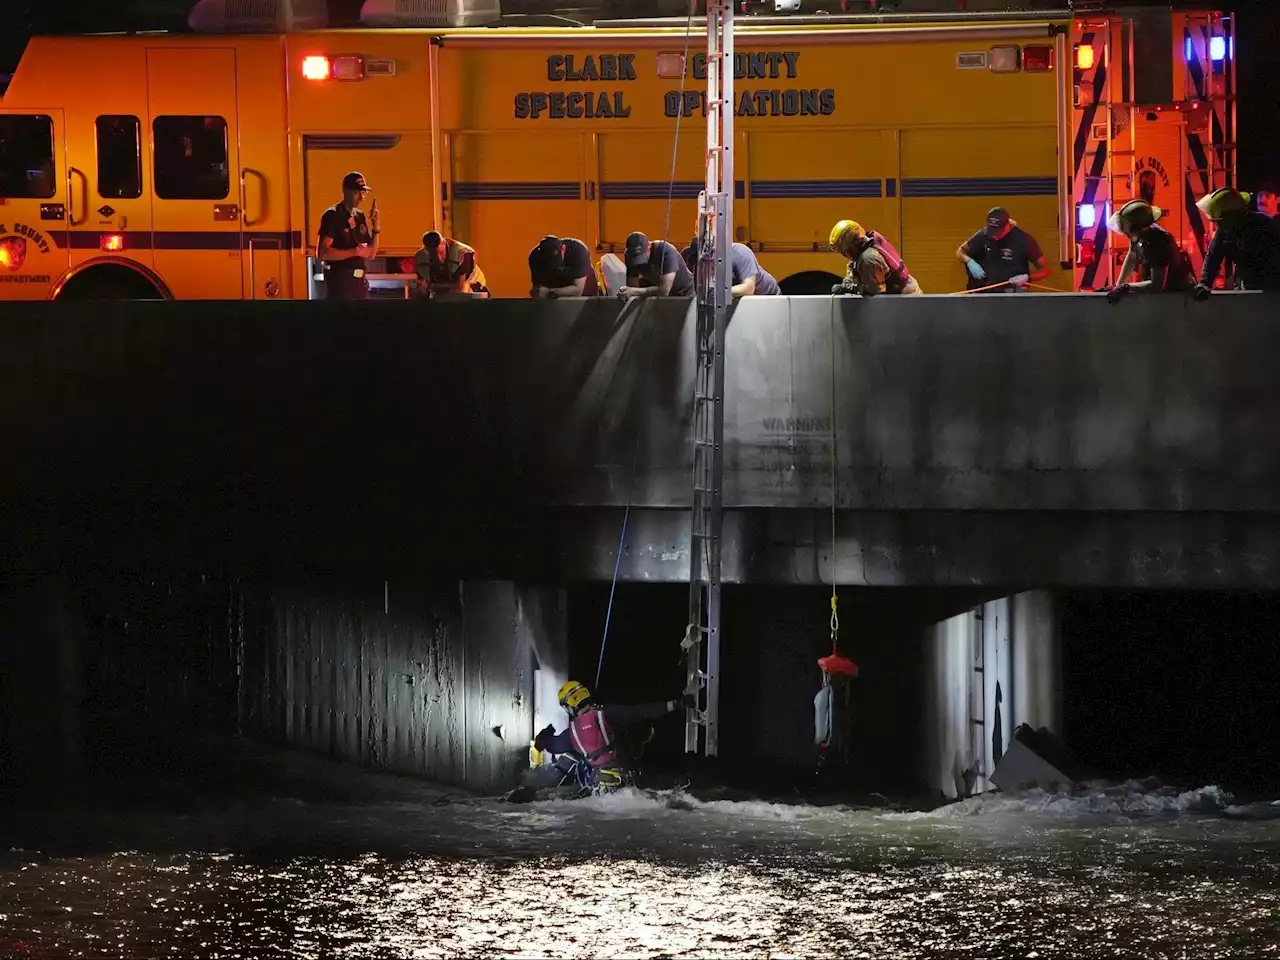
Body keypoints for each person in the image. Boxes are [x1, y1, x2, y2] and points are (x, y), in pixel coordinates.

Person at [524, 681, 691, 795]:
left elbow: (553, 746)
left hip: (601, 790)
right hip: (629, 784)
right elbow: (640, 712)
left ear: (570, 706)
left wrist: (543, 738)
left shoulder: (572, 732)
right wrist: (675, 704)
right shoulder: (608, 714)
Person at [1192, 188, 1280, 298]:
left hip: (1273, 289)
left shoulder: (1264, 225)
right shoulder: (1224, 229)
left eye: (1222, 220)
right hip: (1249, 287)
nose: (1219, 225)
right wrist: (1205, 283)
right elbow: (1213, 255)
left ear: (1233, 216)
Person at [1104, 200, 1194, 302]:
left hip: (1177, 297)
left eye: (1128, 232)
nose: (1127, 235)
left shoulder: (1157, 241)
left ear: (1138, 228)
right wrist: (1117, 286)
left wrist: (1126, 287)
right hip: (1165, 296)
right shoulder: (1139, 234)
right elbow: (1131, 259)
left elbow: (1157, 285)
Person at [318, 171, 380, 300]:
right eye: (356, 193)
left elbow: (371, 254)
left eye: (363, 193)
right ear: (345, 191)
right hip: (340, 285)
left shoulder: (359, 216)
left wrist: (376, 227)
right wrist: (354, 252)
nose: (361, 198)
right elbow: (322, 253)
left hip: (359, 285)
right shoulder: (333, 215)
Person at [956, 207, 1049, 292]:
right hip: (984, 294)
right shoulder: (983, 235)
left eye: (997, 232)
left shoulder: (1023, 240)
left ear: (1007, 225)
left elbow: (1045, 270)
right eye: (991, 231)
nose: (994, 236)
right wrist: (970, 262)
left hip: (1012, 295)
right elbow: (960, 252)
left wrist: (1027, 278)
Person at [828, 220, 922, 296]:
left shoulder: (868, 259)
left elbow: (877, 293)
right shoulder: (861, 249)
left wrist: (852, 288)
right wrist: (847, 282)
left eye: (845, 251)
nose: (843, 255)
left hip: (908, 299)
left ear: (854, 245)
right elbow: (852, 268)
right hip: (901, 297)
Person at [681, 236, 780, 296]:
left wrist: (717, 293)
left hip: (766, 296)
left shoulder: (740, 253)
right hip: (735, 296)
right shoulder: (689, 256)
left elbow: (748, 288)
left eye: (708, 259)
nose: (705, 264)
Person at [618, 231, 695, 298]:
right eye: (635, 258)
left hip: (683, 293)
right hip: (658, 290)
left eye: (641, 256)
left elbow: (664, 291)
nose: (638, 262)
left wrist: (634, 292)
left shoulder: (666, 251)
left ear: (649, 246)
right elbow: (633, 287)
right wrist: (626, 293)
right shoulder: (629, 255)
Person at [414, 231, 488, 297]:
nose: (438, 258)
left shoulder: (463, 254)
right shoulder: (421, 257)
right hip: (444, 291)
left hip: (473, 289)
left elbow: (460, 289)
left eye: (441, 253)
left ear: (444, 243)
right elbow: (422, 288)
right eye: (433, 254)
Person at [528, 235, 599, 298]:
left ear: (563, 249)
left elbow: (578, 290)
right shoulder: (535, 258)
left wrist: (549, 292)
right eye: (548, 261)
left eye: (555, 259)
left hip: (586, 295)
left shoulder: (578, 251)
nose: (553, 265)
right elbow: (538, 290)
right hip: (553, 292)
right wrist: (539, 292)